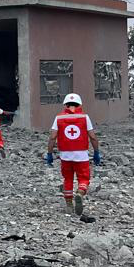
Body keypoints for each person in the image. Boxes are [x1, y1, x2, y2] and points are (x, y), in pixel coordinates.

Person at [45, 93, 101, 223]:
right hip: (81, 155)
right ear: (80, 104)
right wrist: (97, 151)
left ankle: (69, 205)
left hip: (65, 155)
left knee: (68, 178)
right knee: (83, 178)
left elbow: (52, 137)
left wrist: (49, 153)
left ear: (65, 104)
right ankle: (80, 193)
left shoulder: (58, 118)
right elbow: (92, 136)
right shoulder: (84, 117)